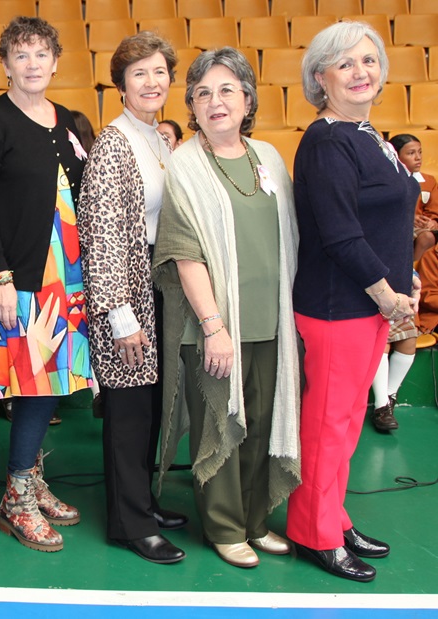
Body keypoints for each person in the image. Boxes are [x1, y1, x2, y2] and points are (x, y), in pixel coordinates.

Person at [152, 48, 301, 569]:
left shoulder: (269, 158)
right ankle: (224, 527)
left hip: (271, 319)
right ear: (192, 106)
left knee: (260, 423)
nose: (215, 101)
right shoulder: (185, 165)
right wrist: (214, 326)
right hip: (211, 326)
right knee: (220, 423)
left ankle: (256, 521)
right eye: (203, 93)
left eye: (226, 90)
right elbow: (184, 252)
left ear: (247, 100)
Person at [288, 21, 420, 582]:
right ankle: (312, 533)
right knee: (327, 425)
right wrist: (388, 293)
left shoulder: (367, 134)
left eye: (368, 60)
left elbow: (387, 223)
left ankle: (334, 518)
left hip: (370, 303)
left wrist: (403, 281)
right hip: (338, 306)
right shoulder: (327, 141)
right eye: (345, 63)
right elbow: (341, 234)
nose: (360, 71)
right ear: (321, 77)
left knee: (345, 424)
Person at [0, 16, 92, 553]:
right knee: (29, 384)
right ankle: (16, 496)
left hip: (67, 275)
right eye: (21, 55)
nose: (32, 63)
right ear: (5, 65)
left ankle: (32, 480)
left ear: (56, 62)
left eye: (41, 54)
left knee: (52, 384)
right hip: (18, 277)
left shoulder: (68, 121)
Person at [77, 31, 187, 565]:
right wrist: (121, 317)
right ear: (120, 85)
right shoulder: (113, 144)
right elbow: (100, 236)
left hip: (156, 284)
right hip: (125, 293)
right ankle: (129, 524)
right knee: (129, 413)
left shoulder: (158, 139)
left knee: (150, 408)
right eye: (139, 73)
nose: (151, 81)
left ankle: (143, 503)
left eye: (159, 71)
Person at [369, 133, 424, 432]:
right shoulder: (375, 191)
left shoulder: (409, 187)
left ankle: (389, 396)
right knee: (383, 344)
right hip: (378, 282)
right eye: (410, 152)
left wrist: (412, 274)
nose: (418, 157)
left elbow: (403, 242)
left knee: (408, 341)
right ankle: (380, 407)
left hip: (401, 279)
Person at [403, 134, 438, 262]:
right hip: (399, 224)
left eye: (420, 152)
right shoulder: (388, 181)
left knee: (427, 237)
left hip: (421, 229)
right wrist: (409, 217)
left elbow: (433, 209)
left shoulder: (429, 181)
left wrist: (433, 221)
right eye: (411, 153)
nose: (418, 157)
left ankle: (414, 269)